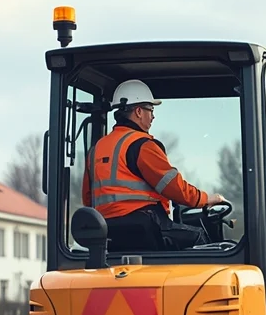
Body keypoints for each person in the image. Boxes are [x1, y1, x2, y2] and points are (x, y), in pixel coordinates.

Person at [81, 79, 227, 250]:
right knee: (200, 238)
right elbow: (174, 188)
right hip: (145, 230)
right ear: (138, 112)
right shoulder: (143, 146)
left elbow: (88, 198)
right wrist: (205, 199)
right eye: (150, 109)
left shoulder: (96, 150)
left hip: (108, 234)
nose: (153, 116)